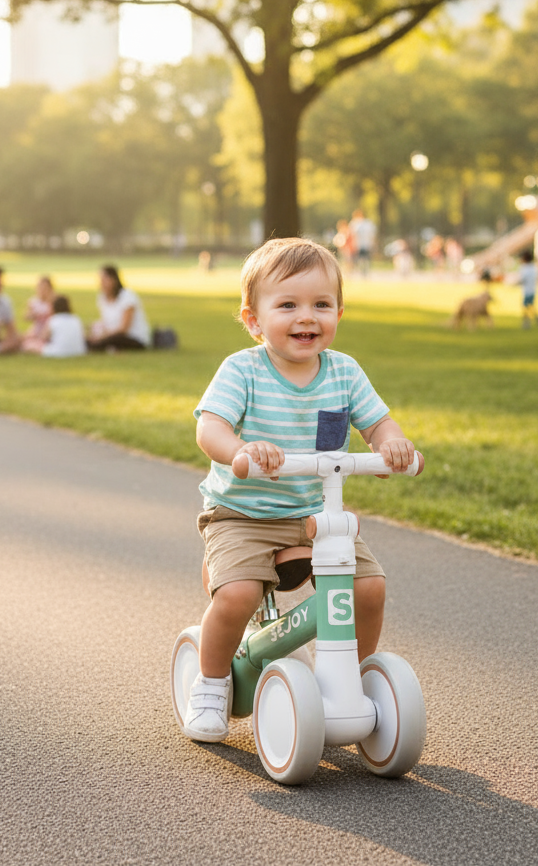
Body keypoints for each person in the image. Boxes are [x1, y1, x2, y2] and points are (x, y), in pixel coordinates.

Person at [182, 237, 416, 743]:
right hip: (242, 514)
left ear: (338, 313)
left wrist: (391, 446)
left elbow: (379, 425)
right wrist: (241, 450)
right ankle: (212, 682)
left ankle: (351, 680)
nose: (305, 316)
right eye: (287, 304)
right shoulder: (242, 369)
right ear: (253, 319)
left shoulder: (345, 372)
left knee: (369, 587)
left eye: (321, 305)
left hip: (313, 511)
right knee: (238, 595)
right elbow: (210, 429)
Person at [86, 264, 152, 351]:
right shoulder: (102, 298)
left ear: (114, 280)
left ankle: (96, 346)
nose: (101, 283)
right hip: (112, 336)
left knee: (112, 339)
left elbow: (124, 329)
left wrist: (103, 336)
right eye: (100, 280)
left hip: (132, 337)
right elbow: (106, 323)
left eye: (104, 280)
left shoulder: (127, 296)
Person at [21, 276, 56, 352]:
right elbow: (26, 316)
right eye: (40, 287)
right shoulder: (33, 301)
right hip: (37, 329)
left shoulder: (53, 302)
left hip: (49, 330)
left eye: (45, 288)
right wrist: (33, 315)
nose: (42, 290)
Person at [517, 249, 538, 329]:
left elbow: (523, 279)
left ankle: (526, 323)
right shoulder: (533, 267)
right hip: (533, 290)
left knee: (525, 307)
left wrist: (514, 284)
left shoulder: (525, 268)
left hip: (527, 291)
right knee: (531, 306)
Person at [349, 208, 377, 275]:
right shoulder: (354, 223)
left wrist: (373, 243)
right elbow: (352, 235)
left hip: (366, 244)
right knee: (360, 259)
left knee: (365, 258)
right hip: (358, 244)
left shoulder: (367, 223)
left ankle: (365, 271)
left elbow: (372, 234)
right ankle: (361, 271)